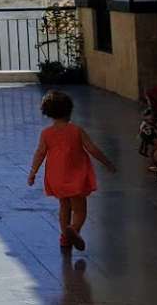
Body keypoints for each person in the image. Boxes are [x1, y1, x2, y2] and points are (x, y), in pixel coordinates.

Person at [28, 90, 116, 250]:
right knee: (80, 209)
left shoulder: (46, 133)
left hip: (57, 178)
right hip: (76, 177)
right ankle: (73, 229)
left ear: (48, 113)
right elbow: (92, 149)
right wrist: (107, 162)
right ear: (69, 111)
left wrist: (33, 172)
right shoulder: (76, 130)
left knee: (64, 206)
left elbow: (40, 153)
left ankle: (64, 237)